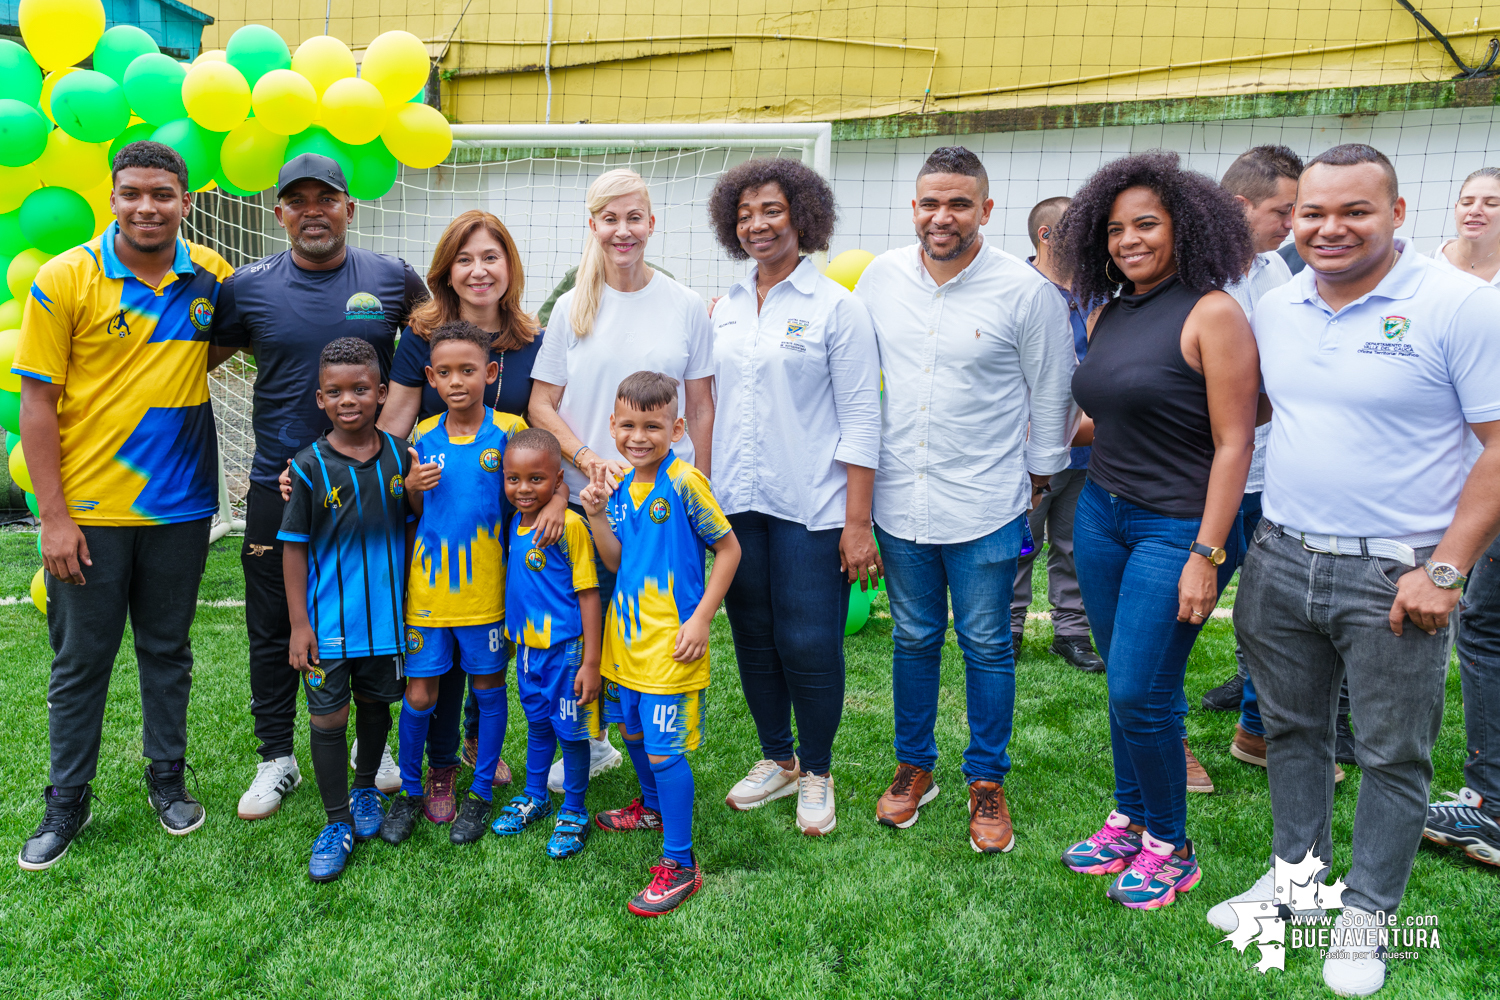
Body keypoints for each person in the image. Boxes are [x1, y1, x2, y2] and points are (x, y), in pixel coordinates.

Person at [1208, 144, 1500, 996]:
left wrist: (1445, 572)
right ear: (1292, 221)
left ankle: (1367, 913)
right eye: (1313, 214)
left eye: (1355, 212)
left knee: (1392, 754)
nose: (1330, 229)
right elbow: (1253, 409)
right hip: (1283, 559)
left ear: (1398, 215)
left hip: (1398, 579)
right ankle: (1298, 886)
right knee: (1292, 734)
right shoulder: (1280, 301)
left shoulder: (1461, 306)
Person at [14, 142, 234, 871]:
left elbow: (226, 346)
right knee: (81, 662)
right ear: (112, 197)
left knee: (167, 652)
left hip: (181, 509)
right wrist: (53, 516)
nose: (148, 207)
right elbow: (37, 406)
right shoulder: (65, 277)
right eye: (133, 193)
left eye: (163, 195)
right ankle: (66, 799)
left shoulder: (211, 277)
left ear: (186, 202)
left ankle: (167, 781)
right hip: (89, 513)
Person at [853, 147, 1077, 853]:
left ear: (985, 209)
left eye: (957, 203)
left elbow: (1054, 394)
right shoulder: (881, 279)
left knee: (986, 644)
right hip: (899, 503)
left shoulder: (1026, 292)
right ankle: (915, 766)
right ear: (913, 208)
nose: (940, 216)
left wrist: (1037, 480)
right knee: (914, 637)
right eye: (929, 202)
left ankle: (986, 779)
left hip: (986, 502)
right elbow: (859, 383)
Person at [1054, 150, 1259, 908]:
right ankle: (1130, 815)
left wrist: (1207, 552)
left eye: (1147, 224)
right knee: (1124, 681)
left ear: (1187, 226)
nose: (1128, 241)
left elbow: (1236, 441)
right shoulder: (1109, 310)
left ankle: (1171, 847)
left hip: (1179, 525)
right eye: (1114, 230)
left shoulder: (1215, 311)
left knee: (1143, 686)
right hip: (1104, 513)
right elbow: (1108, 411)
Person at [209, 154, 427, 822]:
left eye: (325, 198)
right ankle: (277, 756)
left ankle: (375, 748)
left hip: (376, 487)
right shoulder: (247, 288)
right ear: (278, 213)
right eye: (297, 200)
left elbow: (433, 360)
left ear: (349, 207)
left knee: (376, 613)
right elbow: (194, 366)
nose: (313, 211)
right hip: (280, 481)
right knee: (275, 623)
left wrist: (402, 450)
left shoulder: (392, 279)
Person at [704, 157, 881, 836]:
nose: (757, 224)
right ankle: (776, 759)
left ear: (803, 216)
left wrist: (857, 521)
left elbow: (864, 417)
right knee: (752, 636)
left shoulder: (838, 308)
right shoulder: (722, 307)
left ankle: (817, 770)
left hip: (812, 505)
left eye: (771, 210)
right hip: (737, 503)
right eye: (744, 213)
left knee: (809, 641)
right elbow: (708, 405)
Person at [529, 168, 717, 790]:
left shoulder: (684, 304)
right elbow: (542, 405)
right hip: (592, 500)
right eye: (610, 219)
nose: (623, 230)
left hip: (662, 504)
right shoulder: (570, 309)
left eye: (634, 217)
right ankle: (600, 739)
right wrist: (587, 459)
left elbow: (702, 407)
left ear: (652, 223)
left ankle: (665, 734)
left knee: (653, 617)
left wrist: (700, 491)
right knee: (591, 618)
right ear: (594, 226)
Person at [374, 322, 567, 848]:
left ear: (491, 372)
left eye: (468, 370)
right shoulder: (422, 436)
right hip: (430, 593)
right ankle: (411, 792)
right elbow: (417, 510)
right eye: (446, 373)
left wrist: (554, 500)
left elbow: (547, 474)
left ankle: (480, 794)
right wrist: (411, 489)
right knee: (419, 694)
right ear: (431, 378)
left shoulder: (507, 431)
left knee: (486, 690)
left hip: (486, 592)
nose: (457, 381)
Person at [578, 371, 741, 917]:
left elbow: (730, 551)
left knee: (665, 752)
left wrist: (700, 620)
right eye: (628, 425)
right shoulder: (622, 485)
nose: (638, 436)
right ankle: (650, 807)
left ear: (675, 428)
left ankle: (681, 862)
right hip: (626, 644)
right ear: (612, 426)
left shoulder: (686, 482)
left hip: (672, 646)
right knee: (632, 731)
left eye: (652, 426)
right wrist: (597, 514)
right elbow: (617, 560)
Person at [278, 338, 415, 882]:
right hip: (328, 625)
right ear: (320, 398)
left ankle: (364, 793)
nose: (349, 400)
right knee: (329, 717)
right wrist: (299, 624)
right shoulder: (309, 466)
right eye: (335, 391)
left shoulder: (403, 458)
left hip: (388, 622)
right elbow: (292, 545)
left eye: (361, 389)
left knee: (378, 705)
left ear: (382, 393)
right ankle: (335, 821)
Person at [1421, 166, 1500, 868]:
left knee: (1485, 625)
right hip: (1458, 480)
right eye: (1469, 198)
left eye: (1493, 201)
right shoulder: (1429, 272)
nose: (1477, 210)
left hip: (1491, 474)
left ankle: (1491, 803)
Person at [492, 428, 603, 859]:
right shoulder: (512, 521)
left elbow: (589, 595)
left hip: (566, 653)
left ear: (559, 479)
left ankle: (573, 810)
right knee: (537, 726)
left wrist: (590, 662)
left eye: (536, 479)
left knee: (570, 734)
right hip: (526, 651)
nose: (523, 488)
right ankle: (535, 796)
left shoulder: (569, 525)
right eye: (513, 478)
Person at [1012, 195, 1106, 674]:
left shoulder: (1102, 292)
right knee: (1020, 540)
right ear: (1047, 236)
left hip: (1091, 449)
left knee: (1073, 543)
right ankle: (1007, 629)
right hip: (1028, 449)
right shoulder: (1013, 289)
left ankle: (1071, 632)